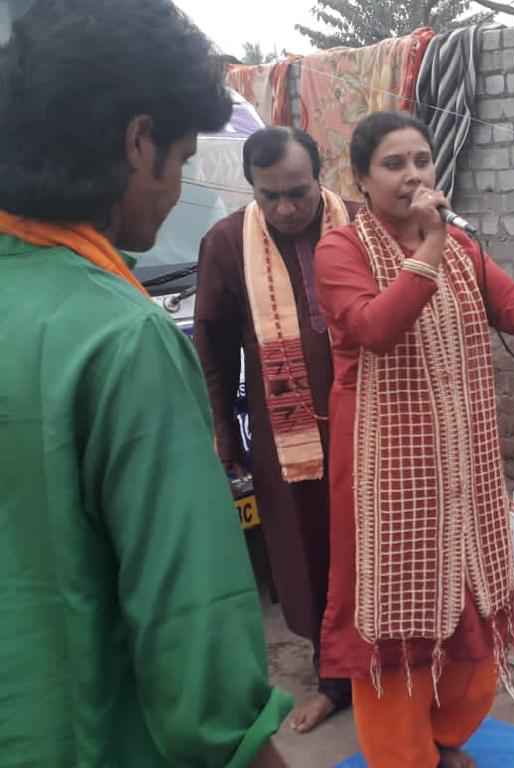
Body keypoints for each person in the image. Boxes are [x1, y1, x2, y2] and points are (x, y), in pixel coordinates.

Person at [0, 1, 293, 766]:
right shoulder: (122, 339)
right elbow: (195, 638)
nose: (178, 188)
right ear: (139, 143)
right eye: (184, 157)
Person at [313, 111, 514, 768]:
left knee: (472, 603)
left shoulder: (463, 249)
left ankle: (442, 740)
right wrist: (430, 245)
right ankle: (402, 756)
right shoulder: (340, 251)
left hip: (464, 467)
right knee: (396, 620)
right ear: (361, 180)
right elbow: (376, 329)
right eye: (394, 164)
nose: (413, 175)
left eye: (422, 160)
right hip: (385, 476)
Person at [194, 126, 354, 733]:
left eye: (297, 193)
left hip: (370, 421)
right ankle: (334, 677)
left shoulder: (363, 225)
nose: (286, 209)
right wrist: (225, 434)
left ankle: (399, 666)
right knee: (307, 551)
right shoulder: (226, 243)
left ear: (320, 177)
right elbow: (213, 347)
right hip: (286, 434)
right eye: (270, 196)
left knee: (378, 541)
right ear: (252, 190)